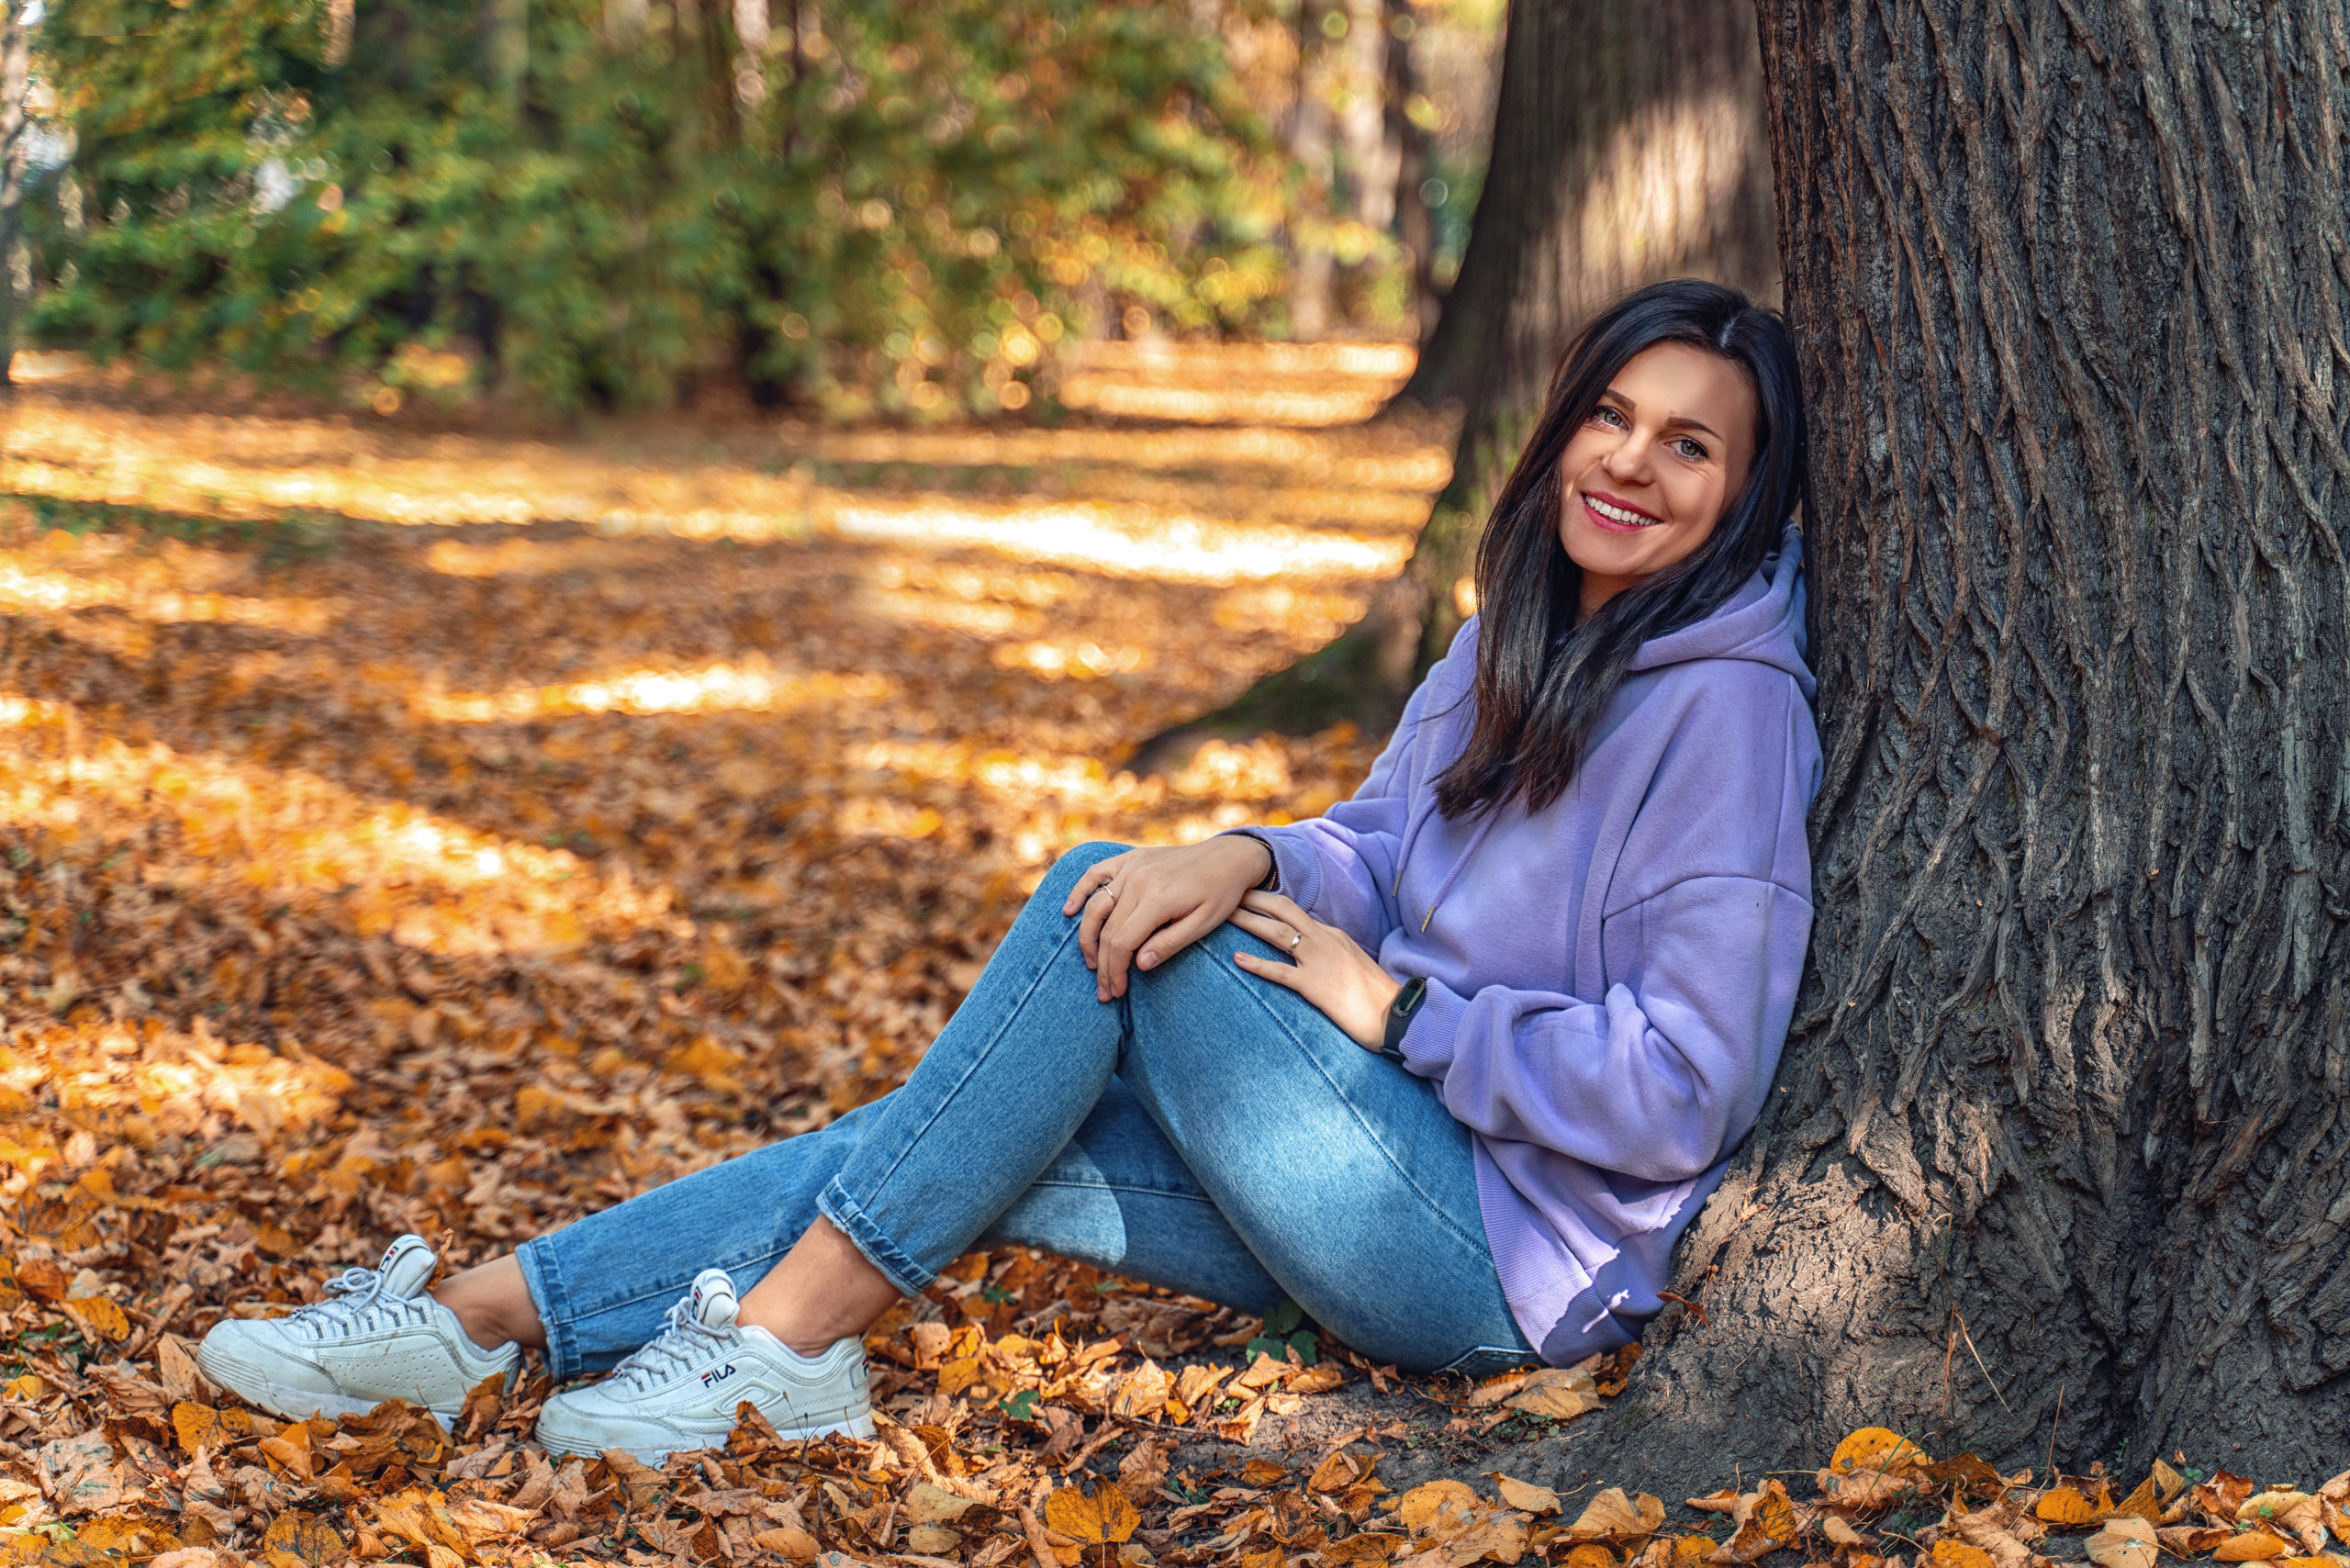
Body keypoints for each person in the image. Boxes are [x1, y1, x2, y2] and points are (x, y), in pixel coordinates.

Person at [197, 278, 1822, 1464]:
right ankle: (473, 1328)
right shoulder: (1514, 637)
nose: (1630, 462)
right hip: (1390, 1149)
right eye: (1611, 414)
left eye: (1691, 446)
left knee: (1098, 909)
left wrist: (1401, 1019)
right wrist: (1248, 849)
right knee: (966, 1132)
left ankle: (781, 1343)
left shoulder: (1731, 716)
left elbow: (1685, 1089)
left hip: (1501, 1254)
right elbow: (1382, 848)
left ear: (1746, 500)